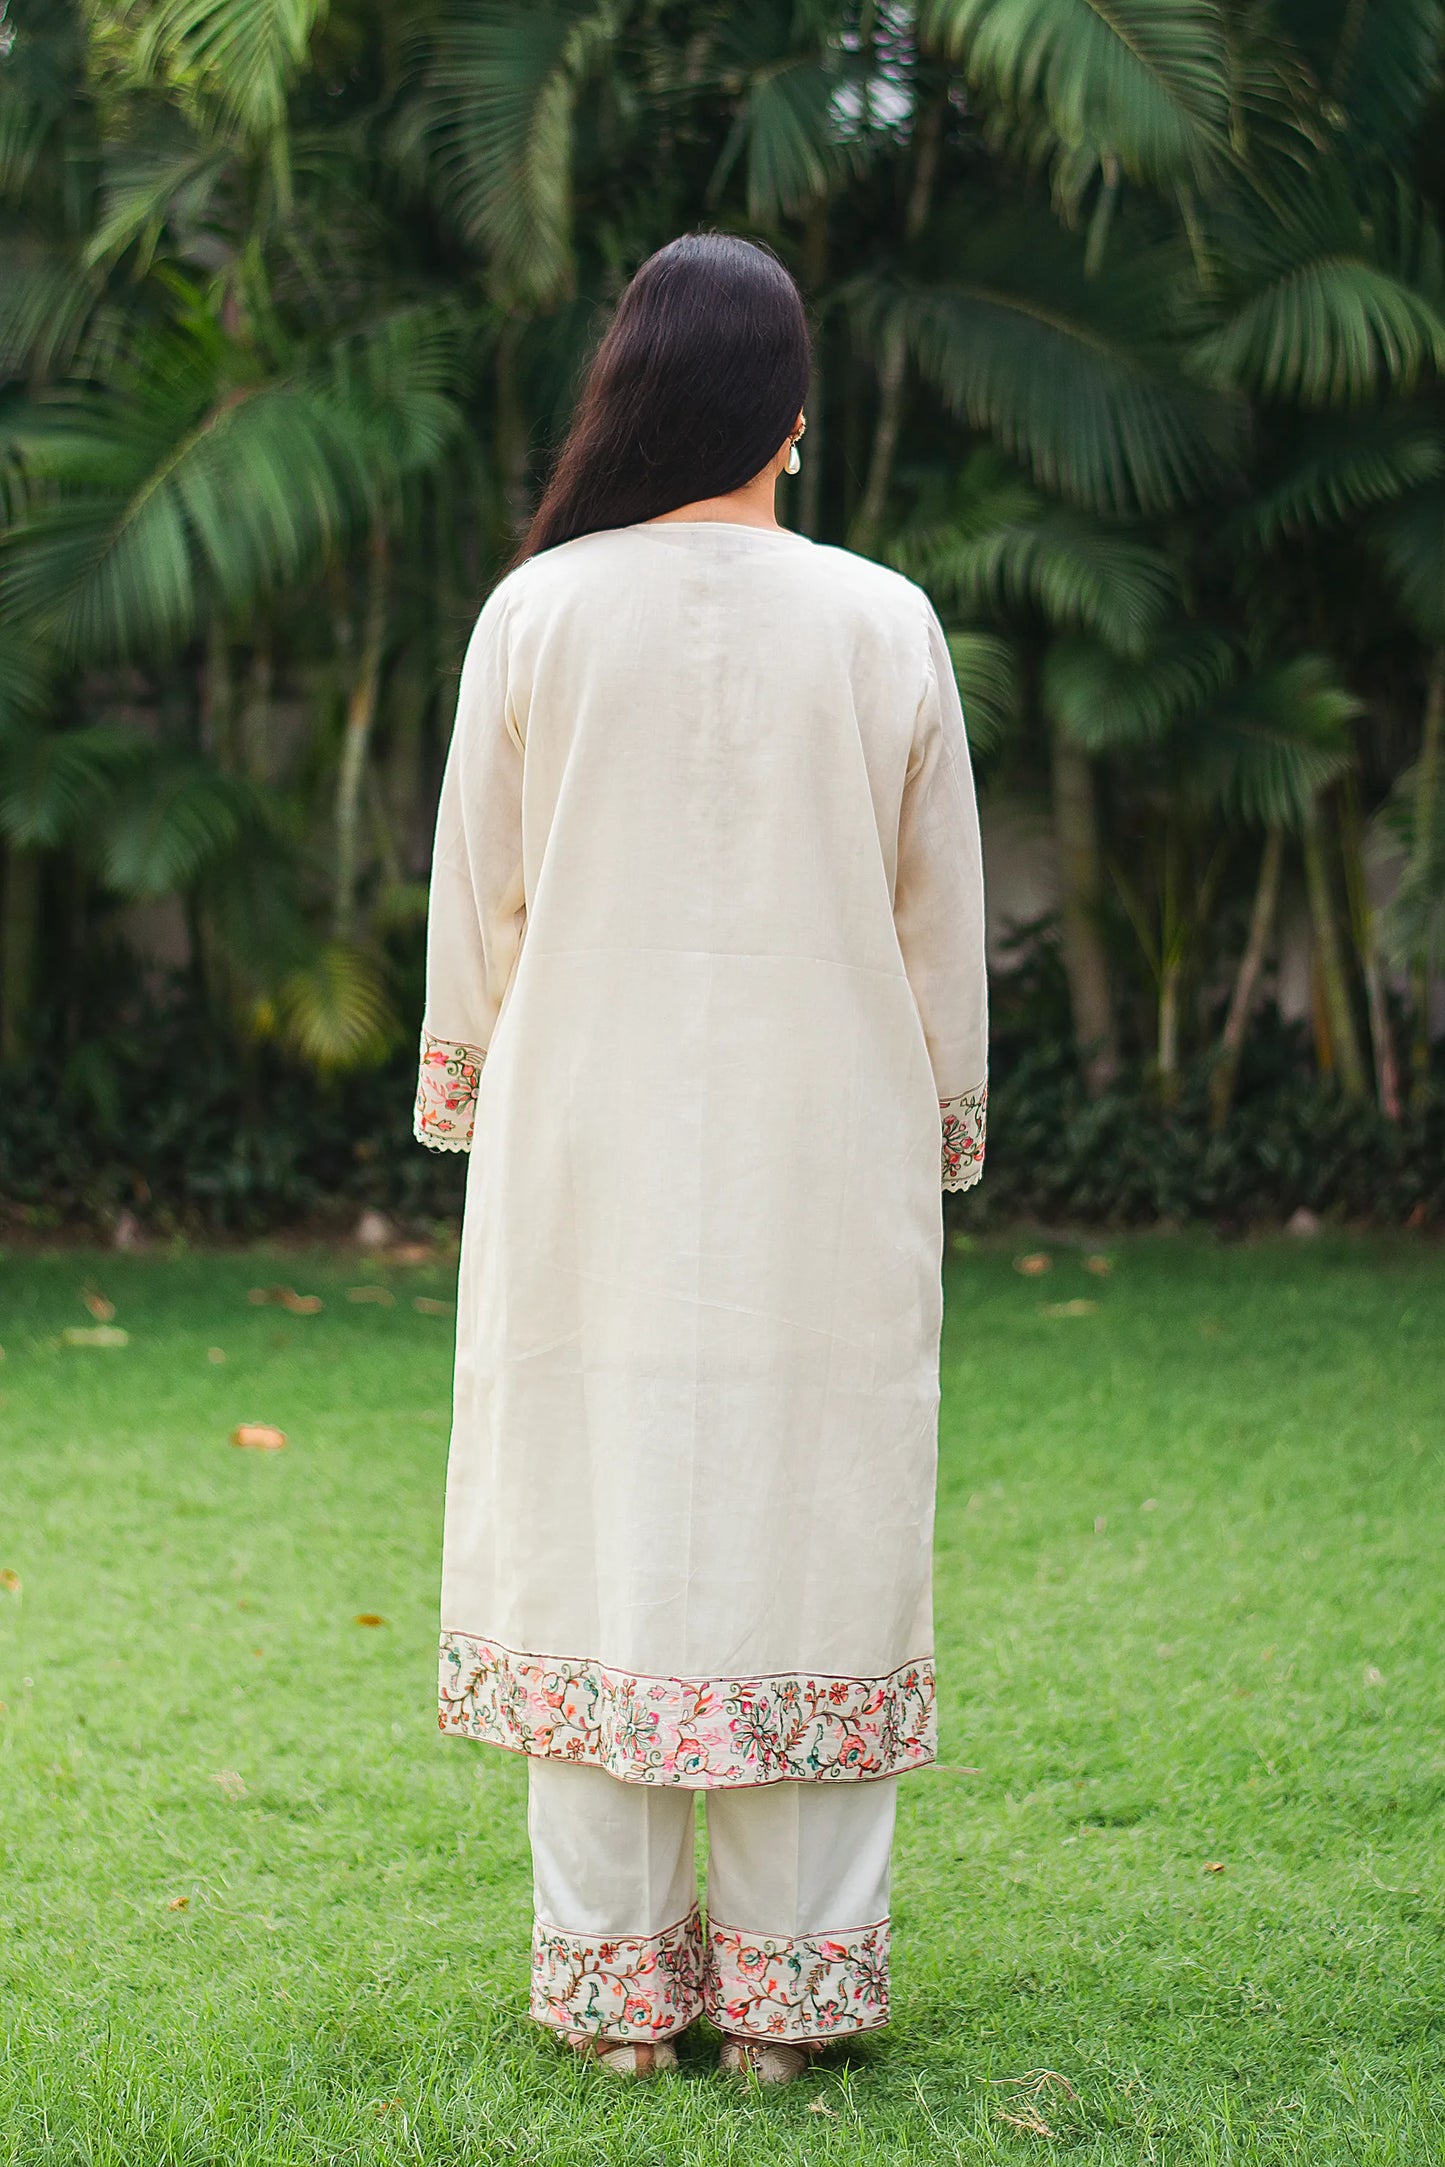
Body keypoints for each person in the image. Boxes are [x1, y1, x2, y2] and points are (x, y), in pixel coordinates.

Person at [414, 231, 988, 2083]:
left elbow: (476, 911)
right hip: (827, 1163)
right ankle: (787, 2007)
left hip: (584, 1158)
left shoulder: (539, 614)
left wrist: (472, 1091)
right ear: (791, 420)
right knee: (810, 1534)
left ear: (632, 396)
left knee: (599, 1527)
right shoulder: (883, 618)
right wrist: (946, 1119)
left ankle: (616, 2003)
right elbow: (935, 927)